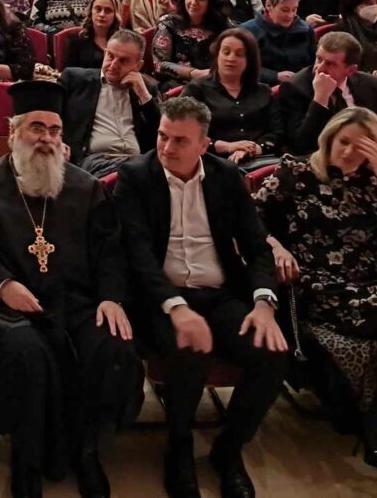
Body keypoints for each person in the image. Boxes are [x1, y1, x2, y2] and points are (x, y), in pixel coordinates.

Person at [0, 80, 143, 498]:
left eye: (55, 130)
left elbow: (111, 250)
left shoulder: (86, 188)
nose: (47, 138)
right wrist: (3, 285)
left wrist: (111, 298)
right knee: (25, 353)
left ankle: (87, 448)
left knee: (114, 348)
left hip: (78, 303)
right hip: (13, 307)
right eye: (37, 128)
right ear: (14, 131)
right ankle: (27, 457)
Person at [254, 109, 377, 498]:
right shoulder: (296, 172)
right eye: (344, 142)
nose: (351, 152)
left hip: (371, 282)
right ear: (328, 139)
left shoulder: (374, 181)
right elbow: (248, 218)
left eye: (362, 146)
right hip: (320, 286)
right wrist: (276, 245)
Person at [114, 97, 288, 498]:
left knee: (271, 355)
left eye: (180, 140)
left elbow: (257, 246)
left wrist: (264, 304)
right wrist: (176, 308)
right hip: (161, 297)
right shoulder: (135, 176)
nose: (167, 147)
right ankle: (179, 445)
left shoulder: (226, 177)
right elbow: (137, 256)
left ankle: (228, 450)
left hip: (218, 293)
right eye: (162, 136)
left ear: (204, 144)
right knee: (189, 349)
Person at [279, 30, 377, 159]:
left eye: (330, 64)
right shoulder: (295, 88)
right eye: (319, 59)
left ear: (350, 70)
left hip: (370, 158)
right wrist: (320, 99)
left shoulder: (372, 84)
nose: (319, 68)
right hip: (325, 162)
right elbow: (301, 145)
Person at [59, 29, 159, 175]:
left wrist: (144, 96)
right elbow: (49, 115)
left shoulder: (146, 90)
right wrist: (57, 141)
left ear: (138, 66)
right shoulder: (75, 80)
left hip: (137, 163)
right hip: (94, 162)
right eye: (110, 56)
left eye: (123, 61)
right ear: (105, 52)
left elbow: (161, 135)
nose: (113, 65)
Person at [183, 28, 283, 169]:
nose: (231, 58)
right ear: (217, 55)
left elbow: (277, 132)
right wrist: (227, 146)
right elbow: (184, 130)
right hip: (212, 161)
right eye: (226, 52)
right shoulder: (198, 89)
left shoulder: (263, 91)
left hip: (260, 160)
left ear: (249, 60)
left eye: (239, 54)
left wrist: (252, 148)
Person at [152, 0, 229, 88]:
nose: (193, 2)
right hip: (179, 85)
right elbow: (159, 65)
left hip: (216, 81)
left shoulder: (222, 24)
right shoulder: (169, 24)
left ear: (212, 1)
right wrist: (194, 73)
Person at [239, 0, 315, 85]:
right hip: (264, 87)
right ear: (269, 5)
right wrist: (274, 76)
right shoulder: (247, 32)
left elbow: (314, 61)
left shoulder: (306, 29)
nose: (290, 15)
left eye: (294, 9)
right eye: (285, 10)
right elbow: (242, 67)